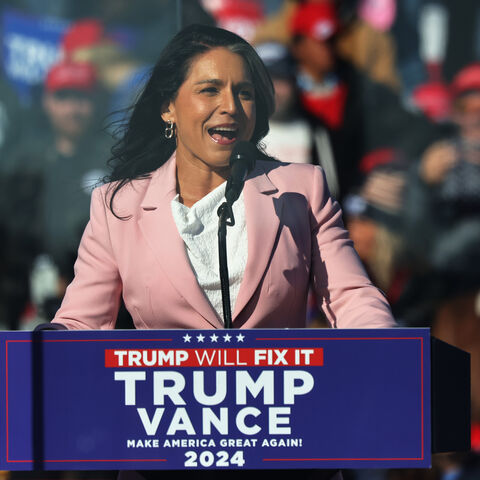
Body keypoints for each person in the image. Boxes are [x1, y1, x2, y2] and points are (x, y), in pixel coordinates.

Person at [44, 23, 395, 335]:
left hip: (281, 404)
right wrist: (40, 348)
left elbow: (352, 298)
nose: (230, 106)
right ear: (169, 107)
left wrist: (390, 349)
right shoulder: (116, 206)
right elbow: (79, 325)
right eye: (209, 90)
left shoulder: (302, 190)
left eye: (243, 93)